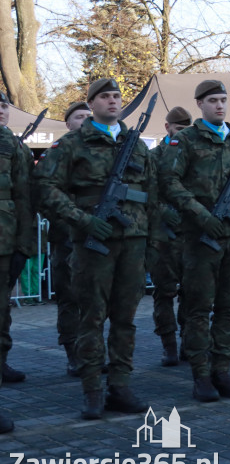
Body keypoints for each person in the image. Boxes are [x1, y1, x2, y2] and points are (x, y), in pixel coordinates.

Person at [35, 78, 154, 419]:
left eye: (117, 96)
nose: (113, 102)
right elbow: (44, 187)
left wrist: (153, 239)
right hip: (93, 245)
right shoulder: (72, 143)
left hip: (131, 242)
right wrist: (82, 219)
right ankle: (91, 389)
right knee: (92, 318)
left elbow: (153, 192)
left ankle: (120, 385)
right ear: (92, 104)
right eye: (105, 97)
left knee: (125, 319)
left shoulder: (137, 145)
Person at [160, 80, 230, 402]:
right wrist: (201, 215)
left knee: (227, 308)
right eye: (213, 100)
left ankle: (222, 370)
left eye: (223, 100)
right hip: (200, 237)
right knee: (199, 309)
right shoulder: (185, 140)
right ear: (199, 104)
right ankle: (201, 374)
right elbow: (169, 182)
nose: (220, 106)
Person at [0, 91, 37, 432]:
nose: (0, 111)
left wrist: (24, 248)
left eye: (3, 105)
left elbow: (26, 199)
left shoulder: (15, 147)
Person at [48, 102, 92, 378]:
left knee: (93, 299)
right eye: (79, 117)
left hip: (95, 235)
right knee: (69, 296)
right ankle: (73, 353)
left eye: (88, 116)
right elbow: (46, 193)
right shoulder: (61, 150)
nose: (85, 120)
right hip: (66, 235)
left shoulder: (98, 148)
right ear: (68, 123)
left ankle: (91, 352)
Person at [149, 106, 191, 367]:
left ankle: (190, 342)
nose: (182, 134)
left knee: (192, 293)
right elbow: (146, 191)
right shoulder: (154, 157)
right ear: (167, 128)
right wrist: (163, 211)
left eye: (186, 130)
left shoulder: (194, 154)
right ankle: (169, 344)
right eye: (178, 129)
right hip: (162, 237)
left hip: (190, 234)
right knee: (164, 293)